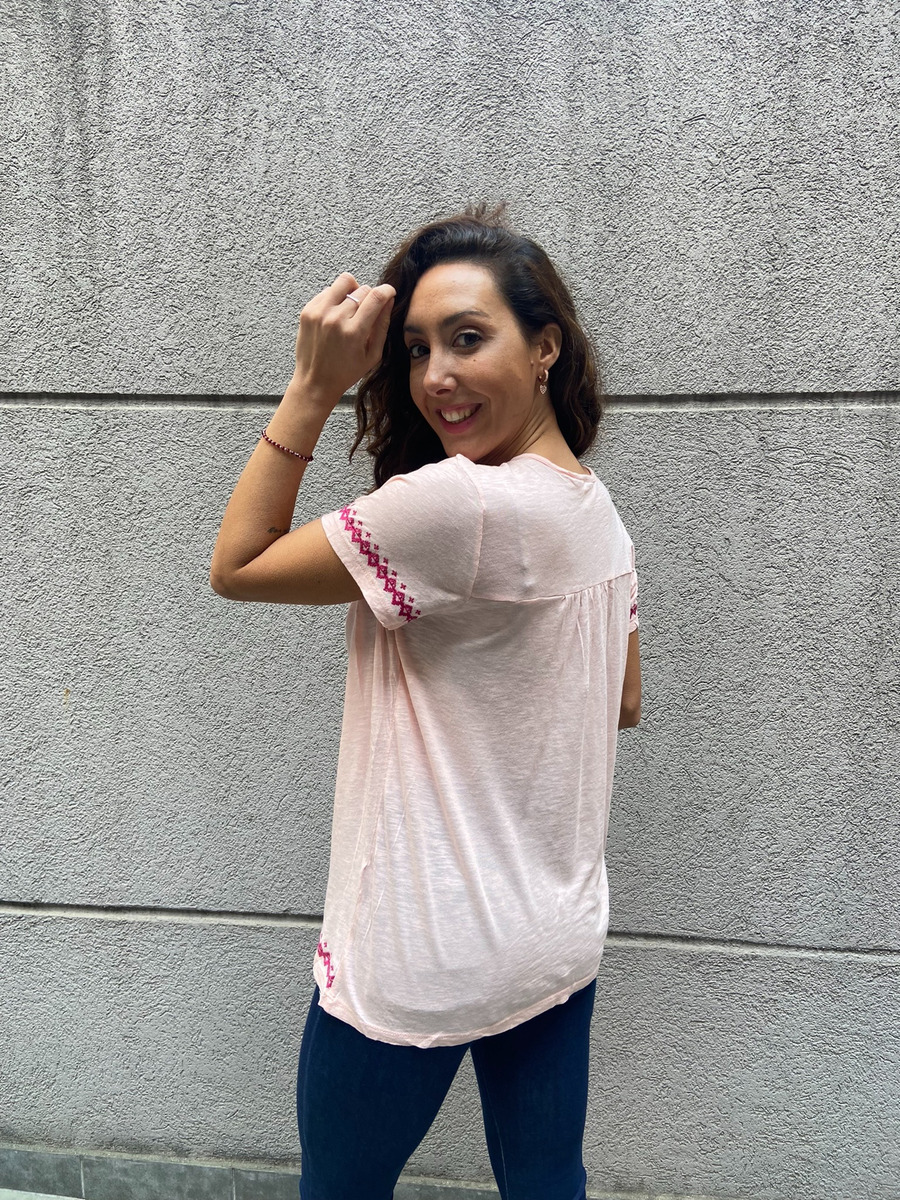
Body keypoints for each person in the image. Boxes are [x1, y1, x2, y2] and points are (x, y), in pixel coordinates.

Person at [210, 207, 641, 1200]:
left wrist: (313, 386)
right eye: (415, 350)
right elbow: (620, 699)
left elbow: (237, 566)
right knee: (546, 1180)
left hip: (420, 950)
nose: (436, 374)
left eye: (468, 337)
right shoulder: (596, 511)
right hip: (552, 934)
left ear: (544, 347)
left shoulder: (460, 504)